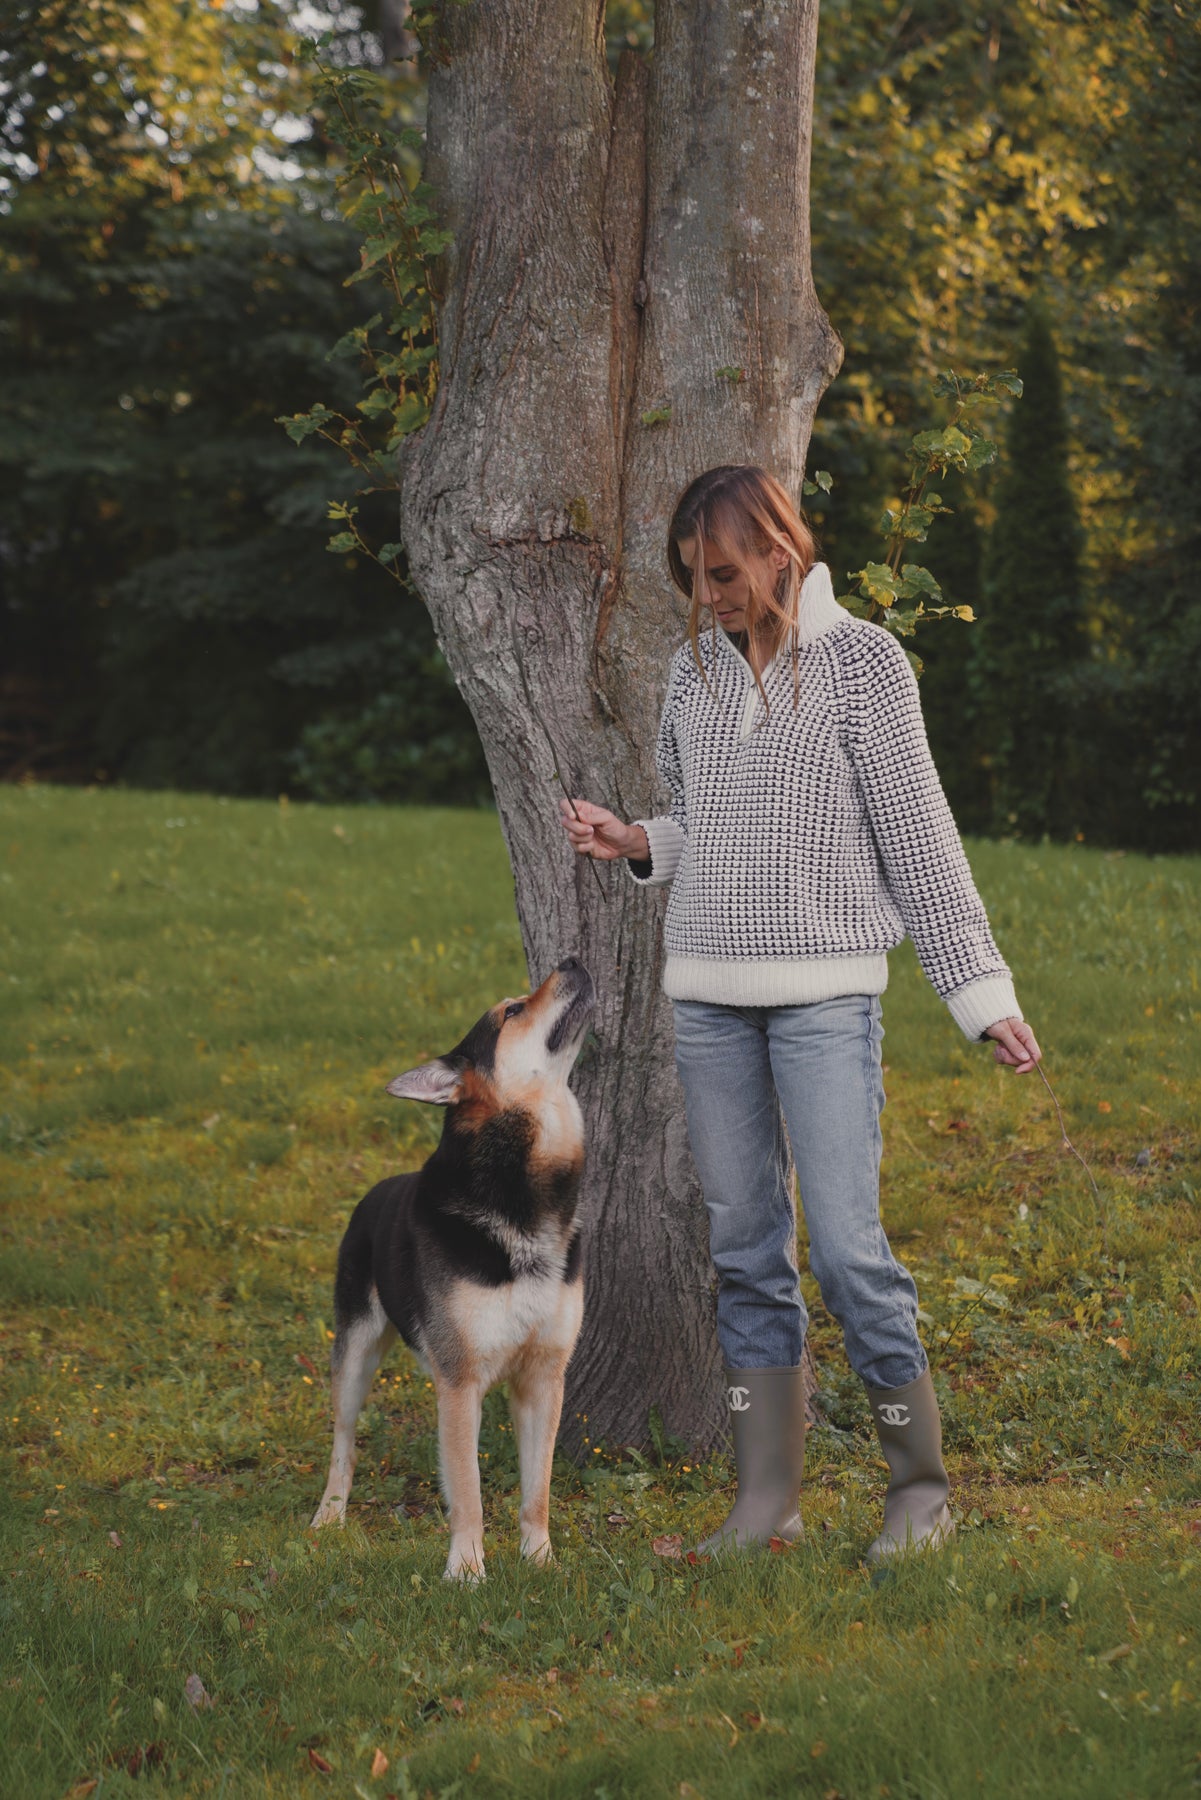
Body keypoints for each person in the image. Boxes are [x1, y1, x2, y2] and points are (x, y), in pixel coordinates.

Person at [558, 464, 1041, 1562]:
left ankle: (917, 1489)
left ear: (780, 547)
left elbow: (917, 839)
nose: (712, 596)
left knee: (849, 1253)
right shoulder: (692, 673)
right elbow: (706, 822)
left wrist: (981, 994)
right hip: (710, 1002)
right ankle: (764, 1501)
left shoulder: (865, 664)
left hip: (826, 996)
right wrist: (639, 842)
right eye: (694, 579)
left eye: (724, 573)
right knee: (743, 1250)